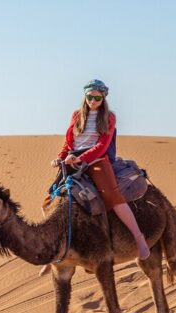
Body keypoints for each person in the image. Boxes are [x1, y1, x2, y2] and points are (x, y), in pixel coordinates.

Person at [51, 79, 150, 260]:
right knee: (52, 197)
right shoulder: (76, 115)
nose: (93, 101)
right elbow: (69, 141)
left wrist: (81, 158)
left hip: (96, 160)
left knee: (113, 196)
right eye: (90, 97)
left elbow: (102, 145)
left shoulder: (108, 117)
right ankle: (55, 246)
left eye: (97, 98)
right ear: (85, 96)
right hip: (73, 158)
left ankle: (138, 237)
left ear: (103, 98)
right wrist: (61, 157)